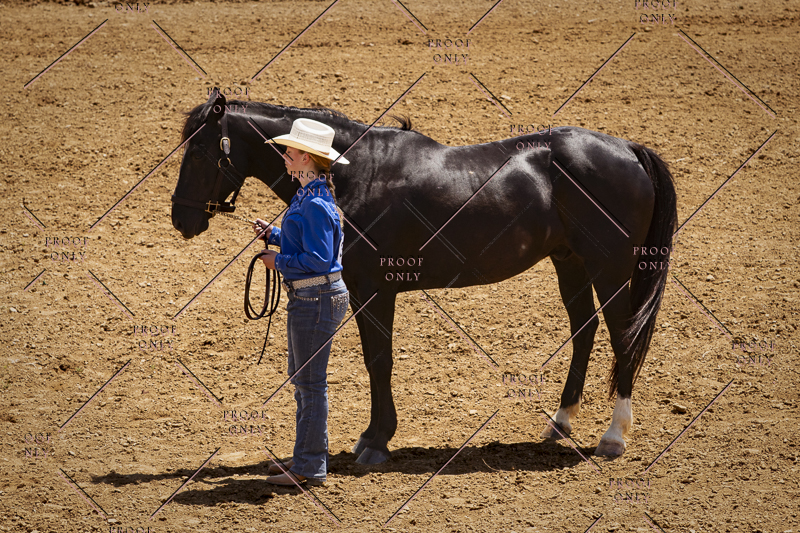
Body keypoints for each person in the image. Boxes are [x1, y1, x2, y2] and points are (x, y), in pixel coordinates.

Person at [252, 118, 350, 486]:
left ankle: (309, 467)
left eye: (290, 151)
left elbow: (319, 259)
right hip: (313, 296)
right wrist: (276, 234)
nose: (284, 155)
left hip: (315, 297)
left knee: (310, 384)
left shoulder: (314, 203)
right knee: (305, 381)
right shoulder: (310, 195)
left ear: (306, 158)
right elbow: (309, 243)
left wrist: (278, 261)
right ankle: (306, 457)